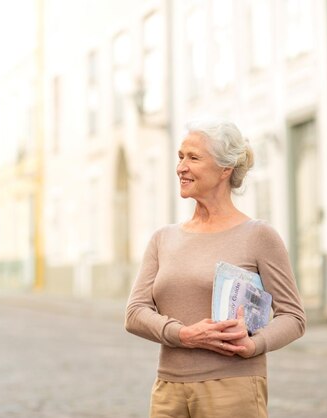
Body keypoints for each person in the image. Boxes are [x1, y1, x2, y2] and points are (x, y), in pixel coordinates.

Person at [125, 119, 305, 418]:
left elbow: (294, 317)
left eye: (193, 158)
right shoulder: (163, 238)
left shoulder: (258, 235)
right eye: (180, 156)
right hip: (168, 390)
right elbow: (134, 314)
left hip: (232, 389)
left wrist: (254, 345)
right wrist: (182, 334)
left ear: (225, 170)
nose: (181, 167)